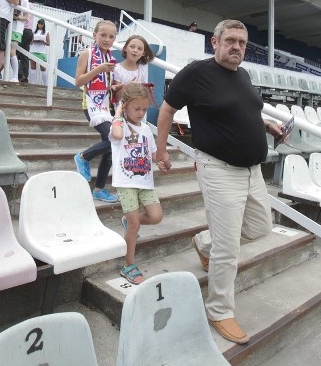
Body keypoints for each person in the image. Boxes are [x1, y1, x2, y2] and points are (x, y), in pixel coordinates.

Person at [154, 19, 291, 345]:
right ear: (214, 42)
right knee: (228, 250)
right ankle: (218, 310)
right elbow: (166, 110)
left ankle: (205, 244)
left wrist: (267, 123)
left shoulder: (242, 75)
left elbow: (242, 110)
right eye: (230, 40)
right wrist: (161, 148)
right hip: (218, 169)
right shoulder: (195, 74)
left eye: (242, 43)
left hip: (252, 170)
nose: (237, 47)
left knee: (260, 228)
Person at [111, 83, 164, 285]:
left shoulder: (146, 129)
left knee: (156, 216)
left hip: (145, 181)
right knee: (134, 224)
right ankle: (128, 265)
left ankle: (129, 222)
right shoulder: (119, 125)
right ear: (125, 106)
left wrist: (161, 160)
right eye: (137, 109)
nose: (141, 113)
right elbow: (116, 136)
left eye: (144, 109)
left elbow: (152, 154)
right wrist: (118, 111)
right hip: (126, 182)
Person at [73, 20, 120, 203]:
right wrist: (99, 69)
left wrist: (117, 86)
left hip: (107, 106)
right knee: (115, 138)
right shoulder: (87, 54)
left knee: (110, 149)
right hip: (91, 105)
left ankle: (99, 189)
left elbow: (108, 83)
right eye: (103, 35)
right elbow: (78, 81)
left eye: (111, 36)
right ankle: (83, 156)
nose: (107, 39)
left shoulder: (110, 57)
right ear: (94, 35)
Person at [110, 34, 155, 105]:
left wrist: (147, 91)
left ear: (143, 53)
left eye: (139, 49)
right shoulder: (117, 69)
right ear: (125, 48)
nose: (135, 50)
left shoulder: (142, 69)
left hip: (136, 109)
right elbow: (117, 97)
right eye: (132, 47)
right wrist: (128, 86)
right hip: (121, 110)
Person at [9, 0, 28, 82]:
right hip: (8, 28)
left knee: (12, 52)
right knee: (5, 52)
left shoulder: (24, 1)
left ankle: (16, 76)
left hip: (17, 30)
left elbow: (26, 17)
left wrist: (16, 17)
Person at [16, 0, 34, 82]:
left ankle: (20, 75)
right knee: (24, 55)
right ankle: (24, 76)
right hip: (29, 31)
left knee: (14, 53)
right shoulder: (31, 6)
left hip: (22, 29)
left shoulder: (22, 4)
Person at [29, 18, 51, 85]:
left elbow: (48, 43)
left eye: (41, 23)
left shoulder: (46, 32)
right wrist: (34, 40)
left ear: (43, 25)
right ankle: (33, 83)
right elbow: (31, 42)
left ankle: (46, 84)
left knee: (43, 68)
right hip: (33, 50)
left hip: (41, 51)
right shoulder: (34, 32)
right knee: (33, 67)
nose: (40, 25)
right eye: (39, 23)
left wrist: (43, 41)